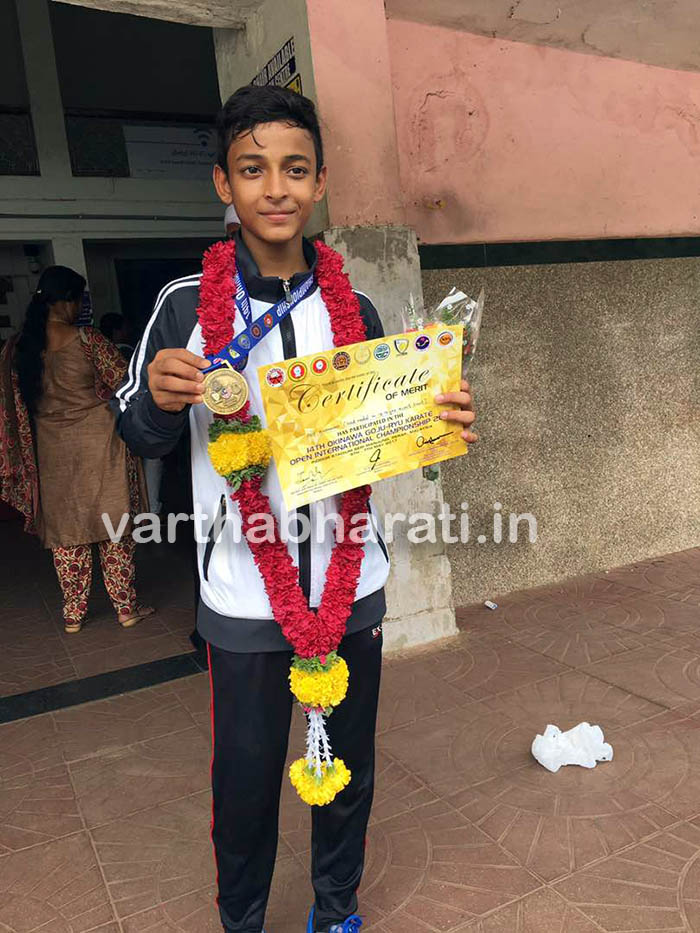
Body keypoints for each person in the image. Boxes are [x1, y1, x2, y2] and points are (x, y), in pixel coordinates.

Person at [113, 85, 477, 933]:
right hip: (243, 594)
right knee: (243, 782)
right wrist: (160, 399)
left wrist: (440, 422)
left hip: (353, 586)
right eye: (253, 169)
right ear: (223, 182)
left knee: (346, 770)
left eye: (295, 168)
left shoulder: (358, 310)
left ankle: (336, 909)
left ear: (319, 182)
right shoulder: (182, 304)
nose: (275, 188)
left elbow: (392, 435)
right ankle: (242, 920)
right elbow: (137, 432)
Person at [0, 265, 152, 633]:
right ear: (66, 301)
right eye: (80, 300)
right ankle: (125, 608)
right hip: (102, 445)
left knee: (67, 534)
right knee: (114, 526)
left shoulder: (18, 348)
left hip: (51, 450)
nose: (81, 308)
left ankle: (73, 614)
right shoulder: (88, 339)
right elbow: (125, 382)